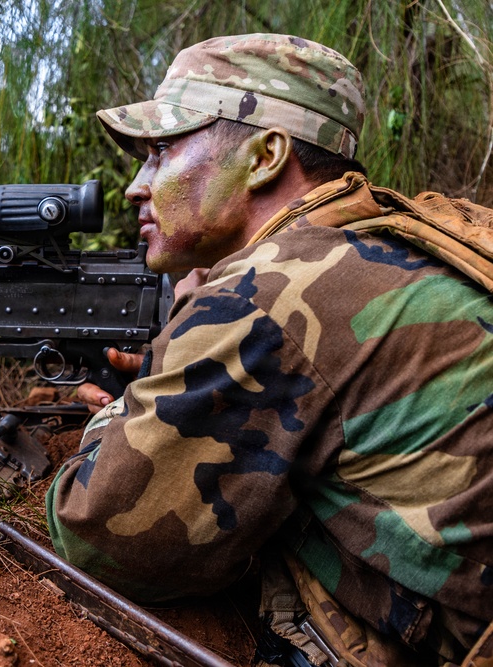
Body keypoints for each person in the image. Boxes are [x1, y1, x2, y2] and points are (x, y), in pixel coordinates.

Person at [45, 34, 493, 666]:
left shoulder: (272, 294)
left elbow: (100, 536)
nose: (136, 187)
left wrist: (110, 416)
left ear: (265, 156)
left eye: (161, 151)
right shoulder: (392, 240)